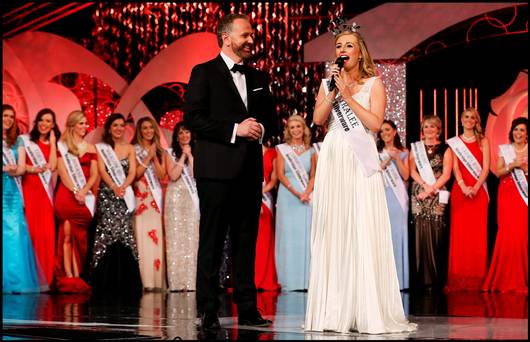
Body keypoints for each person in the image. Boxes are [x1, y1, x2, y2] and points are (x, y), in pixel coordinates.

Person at [304, 21, 416, 334]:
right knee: (336, 227)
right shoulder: (329, 83)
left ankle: (366, 308)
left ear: (360, 51)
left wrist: (348, 96)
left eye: (349, 46)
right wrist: (332, 89)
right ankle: (335, 309)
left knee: (361, 225)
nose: (342, 51)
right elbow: (317, 119)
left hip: (360, 156)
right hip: (334, 154)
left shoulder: (374, 83)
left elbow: (375, 121)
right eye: (338, 46)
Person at [183, 13, 278, 330]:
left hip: (249, 172)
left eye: (252, 35)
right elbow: (193, 119)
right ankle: (208, 309)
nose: (251, 40)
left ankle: (248, 308)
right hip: (216, 172)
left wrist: (260, 127)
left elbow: (271, 120)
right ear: (226, 37)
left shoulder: (259, 77)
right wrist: (235, 129)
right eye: (246, 35)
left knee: (245, 241)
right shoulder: (204, 73)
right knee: (211, 240)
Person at [91, 113, 142, 297]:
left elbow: (133, 171)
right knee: (107, 232)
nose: (119, 128)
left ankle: (127, 281)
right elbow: (102, 170)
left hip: (124, 194)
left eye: (122, 125)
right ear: (109, 128)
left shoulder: (129, 148)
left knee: (125, 233)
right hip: (107, 194)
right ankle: (104, 279)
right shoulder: (103, 148)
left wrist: (123, 186)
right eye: (115, 125)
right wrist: (113, 187)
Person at [3, 104, 47, 293]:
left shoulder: (17, 140)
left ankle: (15, 281)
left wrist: (16, 170)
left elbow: (21, 167)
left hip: (11, 191)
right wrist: (5, 169)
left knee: (14, 233)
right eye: (5, 115)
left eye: (11, 116)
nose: (9, 119)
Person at [445, 108, 490, 292]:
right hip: (461, 192)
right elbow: (455, 167)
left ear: (476, 121)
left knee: (477, 235)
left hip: (478, 192)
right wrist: (463, 186)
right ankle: (459, 278)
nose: (469, 120)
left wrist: (476, 187)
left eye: (473, 117)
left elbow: (486, 168)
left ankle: (478, 278)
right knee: (460, 236)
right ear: (461, 120)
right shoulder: (455, 143)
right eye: (466, 117)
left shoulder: (483, 141)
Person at [482, 117, 528, 294]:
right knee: (507, 233)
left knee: (523, 234)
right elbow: (499, 172)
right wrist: (513, 165)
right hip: (507, 194)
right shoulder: (504, 149)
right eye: (516, 130)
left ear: (527, 134)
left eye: (522, 130)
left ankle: (522, 277)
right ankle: (503, 277)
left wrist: (523, 168)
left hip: (524, 196)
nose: (518, 133)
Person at [54, 110, 97, 293]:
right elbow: (63, 173)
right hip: (66, 197)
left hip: (84, 199)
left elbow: (94, 174)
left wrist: (84, 191)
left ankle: (78, 273)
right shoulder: (62, 146)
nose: (84, 127)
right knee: (66, 234)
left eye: (86, 123)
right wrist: (75, 191)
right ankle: (68, 277)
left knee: (80, 238)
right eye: (81, 123)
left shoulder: (91, 148)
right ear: (72, 125)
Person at [409, 115, 453, 291]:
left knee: (436, 232)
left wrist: (431, 189)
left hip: (437, 193)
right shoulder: (416, 148)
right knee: (419, 232)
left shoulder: (445, 149)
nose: (429, 130)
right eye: (426, 127)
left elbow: (447, 174)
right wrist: (424, 186)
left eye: (432, 127)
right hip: (419, 193)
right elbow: (412, 171)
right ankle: (420, 279)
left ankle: (436, 279)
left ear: (438, 129)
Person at [275, 114, 316, 291]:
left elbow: (314, 175)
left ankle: (306, 281)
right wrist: (296, 191)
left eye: (298, 126)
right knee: (288, 238)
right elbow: (280, 175)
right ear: (288, 131)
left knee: (305, 237)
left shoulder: (312, 150)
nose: (296, 130)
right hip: (288, 196)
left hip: (306, 197)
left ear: (303, 128)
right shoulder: (282, 149)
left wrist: (306, 192)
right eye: (292, 127)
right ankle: (289, 282)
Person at [22, 108, 61, 287]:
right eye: (42, 120)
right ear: (36, 122)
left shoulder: (54, 145)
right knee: (31, 233)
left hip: (46, 195)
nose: (44, 124)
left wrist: (53, 143)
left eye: (48, 121)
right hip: (29, 190)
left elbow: (53, 166)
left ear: (53, 125)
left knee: (45, 234)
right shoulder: (26, 142)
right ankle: (29, 278)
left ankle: (44, 279)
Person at [131, 117, 166, 291]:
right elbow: (135, 174)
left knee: (155, 238)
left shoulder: (160, 151)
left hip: (154, 199)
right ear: (140, 130)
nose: (148, 131)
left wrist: (154, 157)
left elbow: (161, 175)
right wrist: (147, 157)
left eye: (151, 128)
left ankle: (156, 281)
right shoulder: (134, 150)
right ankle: (144, 281)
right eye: (144, 128)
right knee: (142, 237)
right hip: (140, 197)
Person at [164, 121, 200, 292]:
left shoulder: (199, 151)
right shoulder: (169, 153)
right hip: (175, 200)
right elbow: (173, 175)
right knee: (176, 239)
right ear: (176, 137)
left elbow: (196, 175)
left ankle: (191, 283)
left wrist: (191, 156)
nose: (184, 136)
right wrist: (183, 156)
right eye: (181, 133)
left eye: (187, 132)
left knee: (192, 239)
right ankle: (177, 283)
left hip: (192, 198)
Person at [377, 119, 410, 291]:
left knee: (397, 235)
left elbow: (406, 176)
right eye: (381, 131)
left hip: (398, 199)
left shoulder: (404, 152)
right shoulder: (376, 153)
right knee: (381, 236)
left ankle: (399, 280)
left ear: (395, 131)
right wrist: (385, 160)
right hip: (381, 197)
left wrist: (397, 158)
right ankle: (381, 281)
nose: (384, 134)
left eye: (388, 130)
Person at [255, 138, 280, 292]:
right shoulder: (246, 151)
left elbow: (273, 180)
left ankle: (265, 279)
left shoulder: (272, 153)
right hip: (249, 197)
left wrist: (260, 193)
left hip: (265, 199)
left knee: (265, 239)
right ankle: (251, 279)